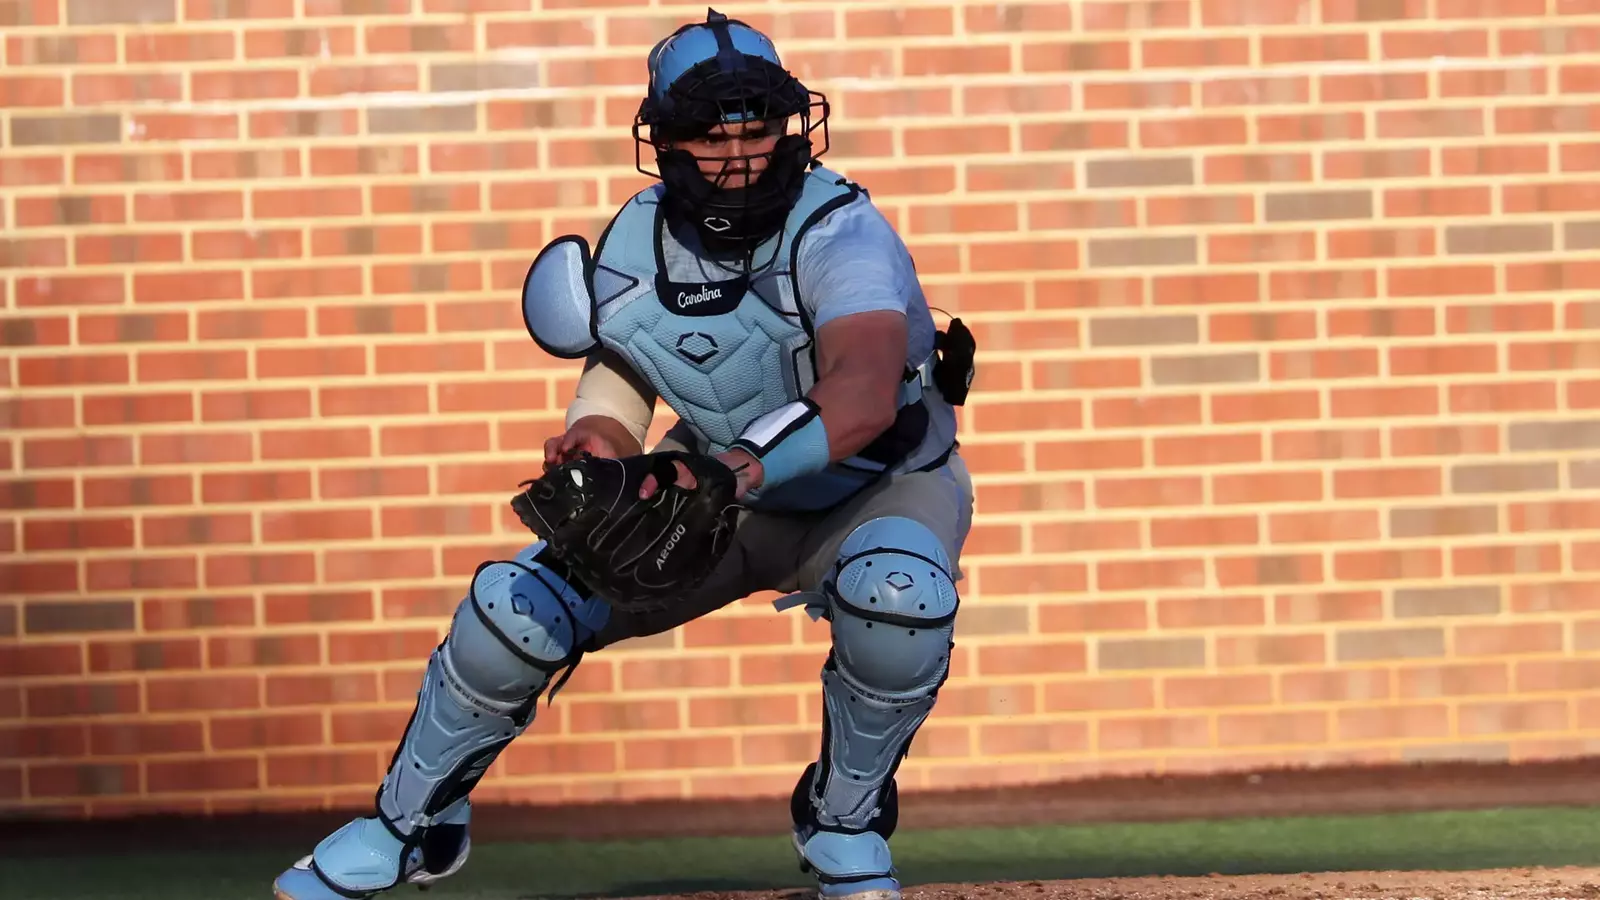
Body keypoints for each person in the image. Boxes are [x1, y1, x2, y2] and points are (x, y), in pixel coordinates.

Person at [272, 9, 975, 900]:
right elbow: (617, 396)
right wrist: (597, 459)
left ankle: (843, 820)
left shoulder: (840, 228)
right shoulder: (638, 238)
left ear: (790, 126)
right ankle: (409, 823)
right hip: (718, 487)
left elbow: (867, 390)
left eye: (756, 124)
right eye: (707, 130)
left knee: (898, 600)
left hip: (877, 489)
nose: (737, 152)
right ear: (664, 139)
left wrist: (735, 473)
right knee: (514, 609)